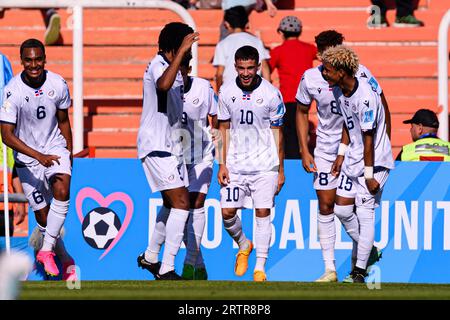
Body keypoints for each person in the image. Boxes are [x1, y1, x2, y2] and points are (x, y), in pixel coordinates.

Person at [296, 30, 387, 282]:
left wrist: (382, 140)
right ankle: (330, 269)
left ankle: (363, 258)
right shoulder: (311, 78)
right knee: (326, 206)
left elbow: (381, 104)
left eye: (333, 48)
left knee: (349, 209)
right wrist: (304, 150)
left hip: (357, 150)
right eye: (324, 49)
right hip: (327, 150)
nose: (328, 54)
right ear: (318, 51)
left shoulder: (360, 74)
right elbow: (302, 112)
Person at [0, 39, 76, 280]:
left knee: (63, 190)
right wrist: (37, 156)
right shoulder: (12, 91)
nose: (34, 65)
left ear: (44, 58)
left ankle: (44, 251)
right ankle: (64, 259)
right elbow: (6, 136)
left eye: (38, 59)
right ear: (22, 61)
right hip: (27, 159)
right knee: (44, 218)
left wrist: (69, 154)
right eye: (29, 60)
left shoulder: (58, 84)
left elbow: (64, 122)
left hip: (54, 149)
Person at [321, 45, 394, 283]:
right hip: (354, 158)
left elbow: (368, 138)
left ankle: (359, 272)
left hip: (373, 163)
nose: (323, 73)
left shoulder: (365, 98)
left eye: (327, 70)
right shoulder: (341, 92)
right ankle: (369, 250)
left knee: (365, 214)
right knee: (341, 210)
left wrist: (370, 175)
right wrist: (341, 155)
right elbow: (347, 124)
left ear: (341, 71)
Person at [136, 22, 199, 280]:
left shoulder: (174, 69)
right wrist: (182, 51)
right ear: (174, 47)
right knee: (182, 203)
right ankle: (168, 268)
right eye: (184, 50)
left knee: (170, 203)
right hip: (156, 145)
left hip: (170, 145)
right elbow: (162, 85)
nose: (188, 56)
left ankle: (151, 256)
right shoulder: (157, 65)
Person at [217, 45, 285, 282]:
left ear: (258, 67)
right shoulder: (225, 92)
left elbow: (278, 133)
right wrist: (221, 164)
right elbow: (222, 128)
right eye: (241, 68)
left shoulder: (271, 94)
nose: (246, 73)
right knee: (227, 213)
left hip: (265, 165)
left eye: (250, 68)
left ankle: (260, 268)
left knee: (263, 212)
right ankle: (244, 244)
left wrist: (280, 170)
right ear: (235, 67)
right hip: (235, 164)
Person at [179, 61, 218, 280]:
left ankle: (188, 265)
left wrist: (221, 156)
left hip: (202, 154)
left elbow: (218, 117)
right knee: (181, 212)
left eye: (181, 70)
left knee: (196, 203)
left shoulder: (203, 87)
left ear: (188, 69)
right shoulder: (165, 90)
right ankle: (199, 264)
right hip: (176, 157)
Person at [269, 16, 317, 159]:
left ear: (281, 32)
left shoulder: (278, 51)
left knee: (289, 134)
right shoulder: (309, 49)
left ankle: (292, 163)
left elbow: (266, 70)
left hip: (287, 98)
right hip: (306, 98)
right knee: (301, 130)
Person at [213, 6, 271, 91]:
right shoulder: (256, 41)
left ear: (227, 24)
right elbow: (265, 68)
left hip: (230, 92)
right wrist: (268, 89)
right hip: (254, 91)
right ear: (247, 23)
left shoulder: (222, 44)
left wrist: (219, 93)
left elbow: (219, 74)